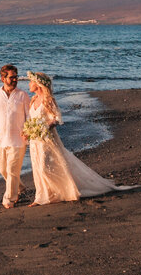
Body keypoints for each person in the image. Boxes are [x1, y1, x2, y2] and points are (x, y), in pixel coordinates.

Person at [25, 70, 118, 205]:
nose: (29, 84)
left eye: (31, 81)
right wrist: (29, 130)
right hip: (35, 140)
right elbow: (31, 119)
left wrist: (45, 127)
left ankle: (62, 191)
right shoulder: (33, 100)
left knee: (46, 167)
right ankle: (41, 196)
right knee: (37, 167)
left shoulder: (48, 100)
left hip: (47, 138)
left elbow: (56, 118)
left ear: (38, 84)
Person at [0, 63, 30, 208]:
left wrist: (27, 132)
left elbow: (29, 116)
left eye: (16, 77)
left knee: (12, 171)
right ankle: (20, 188)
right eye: (12, 77)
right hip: (1, 140)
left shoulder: (23, 95)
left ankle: (9, 200)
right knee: (3, 171)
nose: (15, 80)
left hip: (18, 140)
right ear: (3, 78)